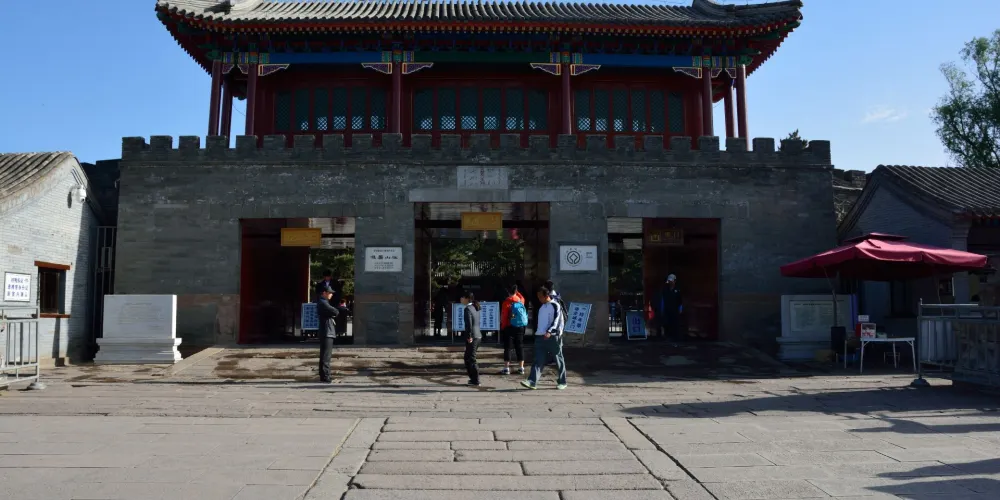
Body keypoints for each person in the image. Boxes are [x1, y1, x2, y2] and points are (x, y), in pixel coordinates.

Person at [521, 286, 567, 390]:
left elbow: (556, 320)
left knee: (558, 358)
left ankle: (562, 381)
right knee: (538, 359)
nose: (539, 299)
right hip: (540, 336)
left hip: (553, 336)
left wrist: (550, 331)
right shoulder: (542, 307)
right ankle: (532, 381)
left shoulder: (555, 305)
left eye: (540, 296)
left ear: (546, 296)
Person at [315, 286, 342, 383]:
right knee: (326, 355)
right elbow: (335, 311)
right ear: (324, 293)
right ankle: (325, 376)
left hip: (327, 330)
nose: (331, 294)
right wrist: (333, 313)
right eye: (329, 293)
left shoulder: (324, 302)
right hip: (327, 331)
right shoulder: (323, 302)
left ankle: (324, 375)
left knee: (325, 355)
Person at [500, 284, 527, 375]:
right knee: (520, 346)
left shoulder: (507, 302)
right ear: (516, 291)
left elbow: (504, 316)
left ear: (508, 292)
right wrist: (516, 292)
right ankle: (521, 368)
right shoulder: (521, 301)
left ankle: (506, 368)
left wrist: (503, 326)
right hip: (520, 326)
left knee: (508, 347)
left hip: (509, 326)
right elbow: (521, 296)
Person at [460, 291, 483, 386]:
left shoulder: (468, 309)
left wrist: (469, 336)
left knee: (471, 358)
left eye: (462, 297)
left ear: (467, 299)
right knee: (467, 357)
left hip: (473, 337)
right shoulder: (475, 307)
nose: (461, 299)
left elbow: (469, 324)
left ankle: (476, 380)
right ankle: (472, 378)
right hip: (478, 335)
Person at [658, 274, 683, 341]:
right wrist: (662, 309)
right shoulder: (665, 290)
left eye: (672, 281)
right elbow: (662, 300)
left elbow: (680, 301)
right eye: (669, 281)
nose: (670, 283)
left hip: (675, 310)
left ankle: (675, 337)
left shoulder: (677, 290)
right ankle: (668, 336)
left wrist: (680, 308)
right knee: (667, 323)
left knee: (675, 323)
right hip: (667, 310)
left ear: (675, 281)